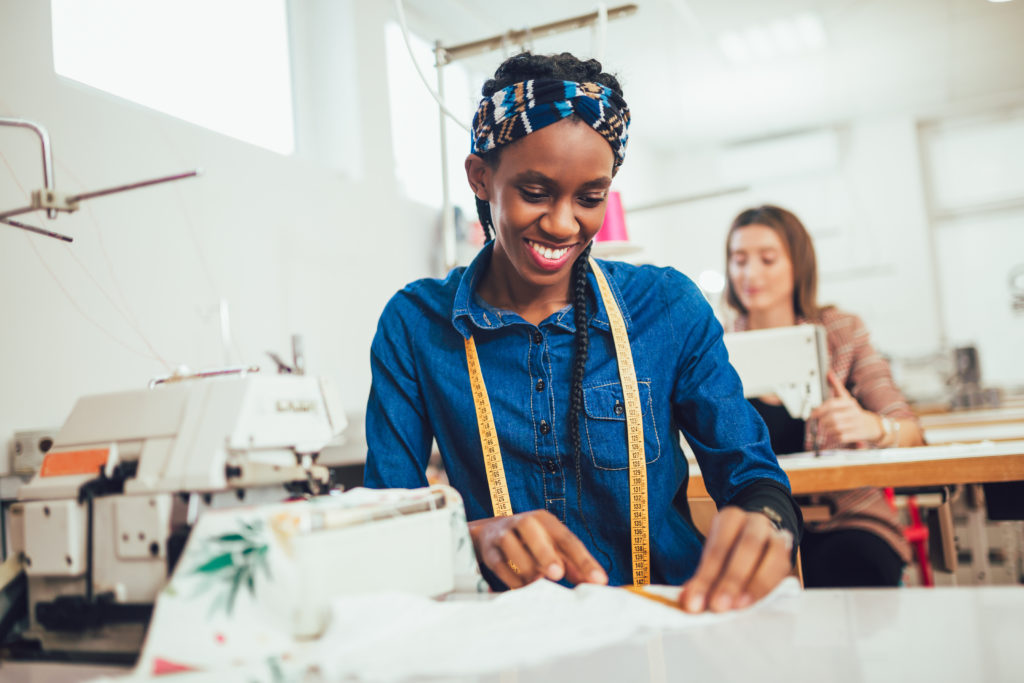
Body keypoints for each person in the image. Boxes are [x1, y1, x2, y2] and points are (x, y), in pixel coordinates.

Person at [365, 52, 802, 613]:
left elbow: (751, 476)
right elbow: (384, 522)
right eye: (536, 192)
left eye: (590, 198)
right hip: (512, 636)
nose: (564, 224)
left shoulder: (667, 308)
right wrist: (472, 540)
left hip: (670, 618)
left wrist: (765, 522)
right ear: (481, 178)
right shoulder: (415, 326)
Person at [724, 204, 926, 588]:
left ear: (798, 264)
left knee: (847, 570)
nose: (750, 274)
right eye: (738, 260)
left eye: (767, 259)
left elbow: (912, 432)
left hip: (847, 517)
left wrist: (871, 425)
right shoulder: (715, 343)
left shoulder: (842, 332)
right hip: (759, 523)